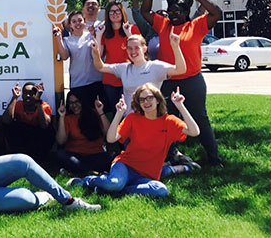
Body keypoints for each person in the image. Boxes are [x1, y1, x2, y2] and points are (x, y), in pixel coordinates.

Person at [140, 0, 224, 167]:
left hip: (192, 81)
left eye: (178, 11)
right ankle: (169, 156)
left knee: (200, 119)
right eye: (171, 11)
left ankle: (214, 159)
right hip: (168, 81)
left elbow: (216, 13)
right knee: (166, 119)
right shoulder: (163, 25)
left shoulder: (196, 25)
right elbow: (145, 11)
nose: (173, 14)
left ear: (186, 13)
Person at [67, 84, 200, 197]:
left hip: (147, 175)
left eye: (149, 98)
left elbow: (194, 131)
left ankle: (118, 190)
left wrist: (180, 106)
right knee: (114, 183)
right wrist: (119, 113)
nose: (146, 102)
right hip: (125, 165)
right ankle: (87, 181)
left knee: (161, 190)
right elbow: (111, 138)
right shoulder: (132, 118)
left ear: (158, 100)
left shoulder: (168, 121)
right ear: (138, 103)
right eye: (142, 100)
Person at [92, 32, 186, 116]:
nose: (133, 52)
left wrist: (176, 47)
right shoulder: (124, 68)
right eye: (129, 48)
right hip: (130, 120)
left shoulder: (155, 66)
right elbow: (101, 67)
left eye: (137, 48)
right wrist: (96, 52)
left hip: (152, 119)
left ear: (144, 49)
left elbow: (180, 70)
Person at [96, 1, 140, 112]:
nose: (115, 14)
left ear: (122, 12)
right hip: (110, 78)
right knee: (116, 111)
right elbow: (99, 54)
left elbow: (140, 51)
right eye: (111, 12)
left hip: (129, 75)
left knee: (130, 110)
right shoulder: (104, 32)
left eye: (117, 11)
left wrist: (128, 33)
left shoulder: (133, 28)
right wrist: (98, 34)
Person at [54, 11, 105, 106]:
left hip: (96, 80)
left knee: (98, 113)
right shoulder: (66, 40)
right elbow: (64, 56)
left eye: (80, 20)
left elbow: (99, 52)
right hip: (78, 83)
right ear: (70, 25)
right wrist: (58, 38)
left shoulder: (91, 36)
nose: (77, 23)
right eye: (74, 21)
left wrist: (94, 35)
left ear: (84, 22)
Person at [55, 91, 111, 175]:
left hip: (96, 154)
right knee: (61, 154)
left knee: (113, 156)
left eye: (77, 102)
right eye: (71, 103)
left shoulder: (93, 114)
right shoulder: (68, 118)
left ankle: (80, 170)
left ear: (82, 102)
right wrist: (62, 117)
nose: (74, 105)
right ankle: (90, 171)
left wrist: (100, 112)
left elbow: (108, 133)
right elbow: (61, 141)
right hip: (75, 155)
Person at [2, 82, 53, 161]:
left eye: (31, 93)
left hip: (37, 137)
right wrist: (15, 97)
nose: (28, 96)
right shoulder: (18, 104)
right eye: (25, 93)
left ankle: (41, 156)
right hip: (23, 137)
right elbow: (6, 120)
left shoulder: (44, 106)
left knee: (48, 130)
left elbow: (44, 125)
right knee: (9, 126)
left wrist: (38, 102)